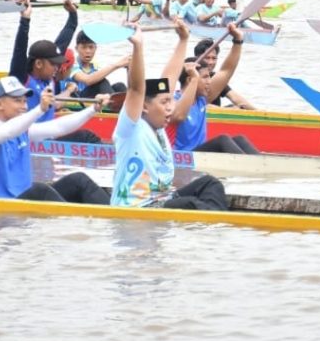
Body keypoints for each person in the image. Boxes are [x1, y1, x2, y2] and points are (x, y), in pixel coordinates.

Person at [110, 26, 228, 210]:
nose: (170, 108)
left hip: (162, 199)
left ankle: (218, 223)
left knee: (210, 183)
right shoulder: (131, 127)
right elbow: (136, 89)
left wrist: (183, 39)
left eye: (170, 101)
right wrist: (138, 46)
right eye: (164, 102)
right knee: (191, 204)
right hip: (139, 208)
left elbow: (169, 78)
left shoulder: (158, 127)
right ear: (144, 106)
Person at [0, 76, 110, 202]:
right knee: (39, 190)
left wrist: (93, 109)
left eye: (25, 101)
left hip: (23, 201)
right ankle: (71, 219)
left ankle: (113, 216)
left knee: (79, 180)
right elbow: (7, 132)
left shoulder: (24, 131)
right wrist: (40, 109)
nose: (24, 107)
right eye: (17, 101)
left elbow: (59, 127)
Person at [7, 0, 104, 144]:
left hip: (48, 137)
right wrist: (25, 20)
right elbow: (19, 50)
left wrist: (72, 15)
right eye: (53, 64)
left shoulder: (49, 78)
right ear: (38, 64)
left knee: (87, 136)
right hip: (26, 139)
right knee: (86, 137)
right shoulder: (21, 80)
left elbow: (64, 39)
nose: (57, 68)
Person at [168, 24, 260, 154]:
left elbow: (226, 71)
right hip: (182, 157)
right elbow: (179, 116)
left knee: (240, 139)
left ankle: (260, 164)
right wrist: (194, 79)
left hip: (200, 154)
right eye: (205, 77)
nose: (209, 81)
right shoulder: (172, 102)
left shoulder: (200, 100)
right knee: (223, 140)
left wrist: (237, 40)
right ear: (190, 79)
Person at [193, 38, 255, 110]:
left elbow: (236, 98)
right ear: (197, 58)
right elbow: (195, 105)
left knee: (238, 107)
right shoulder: (190, 76)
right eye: (207, 58)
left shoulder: (215, 77)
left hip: (213, 112)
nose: (211, 62)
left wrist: (260, 112)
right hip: (196, 112)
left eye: (214, 58)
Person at [70, 30, 130, 98]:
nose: (88, 51)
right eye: (84, 47)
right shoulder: (72, 64)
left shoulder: (95, 65)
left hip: (93, 96)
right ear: (76, 48)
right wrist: (117, 65)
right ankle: (113, 103)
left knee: (120, 86)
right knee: (100, 82)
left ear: (95, 48)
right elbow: (88, 80)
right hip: (78, 98)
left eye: (91, 47)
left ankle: (125, 103)